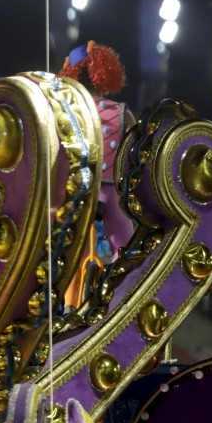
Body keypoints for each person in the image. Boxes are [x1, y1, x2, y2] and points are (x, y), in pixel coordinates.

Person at [58, 42, 136, 262]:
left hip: (74, 189)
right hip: (111, 192)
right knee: (124, 251)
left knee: (61, 250)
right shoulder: (122, 113)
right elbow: (137, 153)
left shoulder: (64, 110)